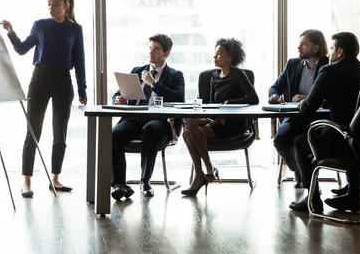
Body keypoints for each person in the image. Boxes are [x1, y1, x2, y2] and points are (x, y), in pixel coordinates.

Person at [1, 0, 87, 198]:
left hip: (63, 82)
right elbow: (22, 49)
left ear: (66, 6)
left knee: (60, 133)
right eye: (48, 4)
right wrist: (11, 33)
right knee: (33, 132)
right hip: (40, 80)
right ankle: (27, 182)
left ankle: (55, 179)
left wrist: (82, 89)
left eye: (55, 5)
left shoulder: (75, 30)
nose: (51, 8)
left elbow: (79, 62)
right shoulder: (40, 26)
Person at [289, 32, 360, 213]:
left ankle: (312, 198)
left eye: (333, 49)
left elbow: (309, 107)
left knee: (300, 142)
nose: (330, 54)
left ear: (340, 52)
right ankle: (353, 196)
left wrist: (298, 104)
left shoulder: (329, 71)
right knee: (349, 134)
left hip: (339, 143)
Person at [181, 38, 259, 196]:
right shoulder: (212, 76)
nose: (215, 57)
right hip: (216, 120)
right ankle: (207, 169)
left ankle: (202, 174)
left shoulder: (239, 75)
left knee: (187, 133)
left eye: (219, 54)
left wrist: (229, 104)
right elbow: (209, 104)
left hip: (234, 124)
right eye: (214, 53)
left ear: (230, 57)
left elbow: (253, 99)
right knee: (189, 123)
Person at [110, 34, 185, 200]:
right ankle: (119, 184)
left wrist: (154, 84)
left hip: (159, 122)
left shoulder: (175, 75)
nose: (151, 52)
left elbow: (179, 98)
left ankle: (145, 181)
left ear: (166, 53)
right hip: (134, 119)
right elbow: (118, 93)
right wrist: (118, 100)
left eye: (156, 49)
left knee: (150, 129)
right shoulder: (137, 71)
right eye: (150, 48)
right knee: (114, 134)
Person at [268, 29, 329, 188]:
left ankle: (306, 177)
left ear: (316, 48)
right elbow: (275, 87)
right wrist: (274, 95)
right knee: (280, 140)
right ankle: (301, 171)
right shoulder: (293, 64)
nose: (299, 47)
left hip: (318, 117)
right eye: (300, 43)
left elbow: (330, 95)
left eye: (304, 44)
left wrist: (307, 97)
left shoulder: (328, 66)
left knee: (307, 142)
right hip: (295, 116)